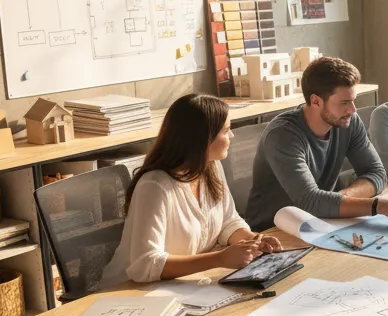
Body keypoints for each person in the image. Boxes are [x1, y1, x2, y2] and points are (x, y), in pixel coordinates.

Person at [99, 94, 282, 286]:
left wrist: (253, 241)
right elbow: (144, 264)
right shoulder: (154, 186)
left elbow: (228, 222)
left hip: (184, 286)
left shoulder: (211, 167)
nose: (232, 135)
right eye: (226, 130)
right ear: (203, 138)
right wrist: (220, 259)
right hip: (128, 292)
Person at [246, 55, 388, 231]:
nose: (352, 109)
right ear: (316, 101)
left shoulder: (348, 121)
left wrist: (340, 199)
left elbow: (377, 173)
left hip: (323, 222)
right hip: (272, 233)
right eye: (344, 102)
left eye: (353, 100)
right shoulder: (283, 135)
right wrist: (379, 206)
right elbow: (310, 201)